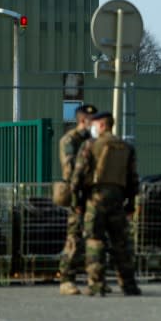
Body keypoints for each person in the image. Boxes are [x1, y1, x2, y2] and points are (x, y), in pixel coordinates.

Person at [70, 110, 141, 296]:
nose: (92, 127)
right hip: (118, 200)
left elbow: (77, 176)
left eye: (94, 124)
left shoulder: (90, 145)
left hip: (96, 199)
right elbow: (133, 180)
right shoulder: (126, 147)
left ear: (101, 125)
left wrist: (76, 201)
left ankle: (97, 283)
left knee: (95, 241)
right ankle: (128, 284)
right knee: (121, 243)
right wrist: (131, 204)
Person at [57, 103, 97, 295]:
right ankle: (66, 278)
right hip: (76, 193)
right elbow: (71, 169)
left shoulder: (92, 140)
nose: (95, 123)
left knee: (92, 236)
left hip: (92, 193)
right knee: (74, 237)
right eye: (92, 120)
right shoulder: (69, 140)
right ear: (83, 120)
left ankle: (94, 277)